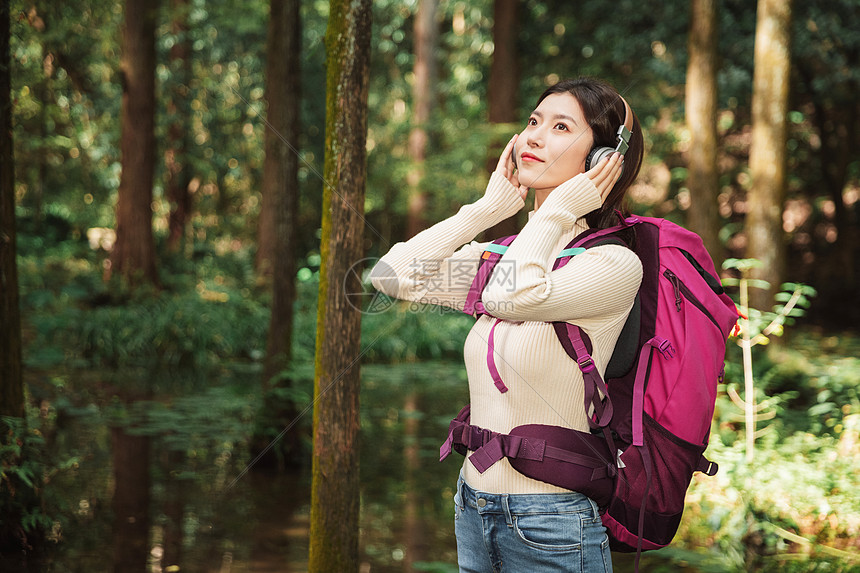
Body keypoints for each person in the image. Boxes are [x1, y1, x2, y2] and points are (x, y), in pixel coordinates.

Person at [370, 77, 645, 573]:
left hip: (553, 523)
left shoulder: (612, 265)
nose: (533, 138)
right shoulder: (505, 258)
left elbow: (509, 296)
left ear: (603, 160)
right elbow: (390, 276)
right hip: (473, 508)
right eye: (534, 121)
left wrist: (558, 211)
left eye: (561, 127)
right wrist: (488, 209)